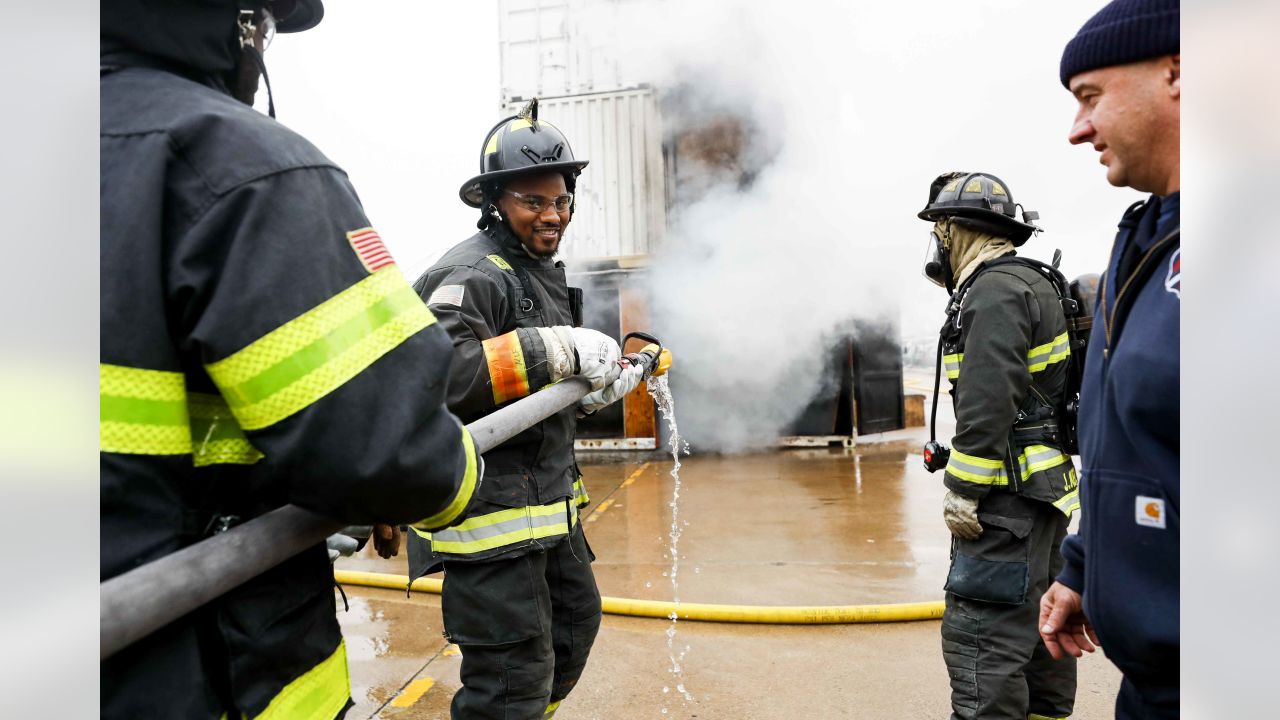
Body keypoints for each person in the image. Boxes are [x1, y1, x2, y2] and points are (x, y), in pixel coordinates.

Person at [100, 2, 479, 717]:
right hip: (203, 677)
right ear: (239, 24)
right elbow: (390, 448)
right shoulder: (239, 165)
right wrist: (459, 473)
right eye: (266, 24)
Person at [400, 99, 643, 720]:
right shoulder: (469, 275)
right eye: (533, 202)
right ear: (495, 202)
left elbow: (529, 393)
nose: (552, 215)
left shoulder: (538, 274)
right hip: (489, 523)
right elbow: (446, 377)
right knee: (510, 679)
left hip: (547, 512)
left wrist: (594, 391)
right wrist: (558, 348)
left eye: (560, 200)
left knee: (572, 633)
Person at [1039, 1, 1180, 717]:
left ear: (1179, 73)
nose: (1077, 129)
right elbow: (1136, 441)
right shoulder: (1143, 237)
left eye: (1090, 96)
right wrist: (1089, 567)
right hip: (1152, 681)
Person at [919, 172, 1080, 720]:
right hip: (1045, 497)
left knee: (980, 645)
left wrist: (962, 490)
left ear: (952, 230)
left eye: (938, 229)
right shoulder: (1032, 283)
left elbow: (990, 399)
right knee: (1039, 635)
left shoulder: (991, 291)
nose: (935, 243)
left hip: (1005, 504)